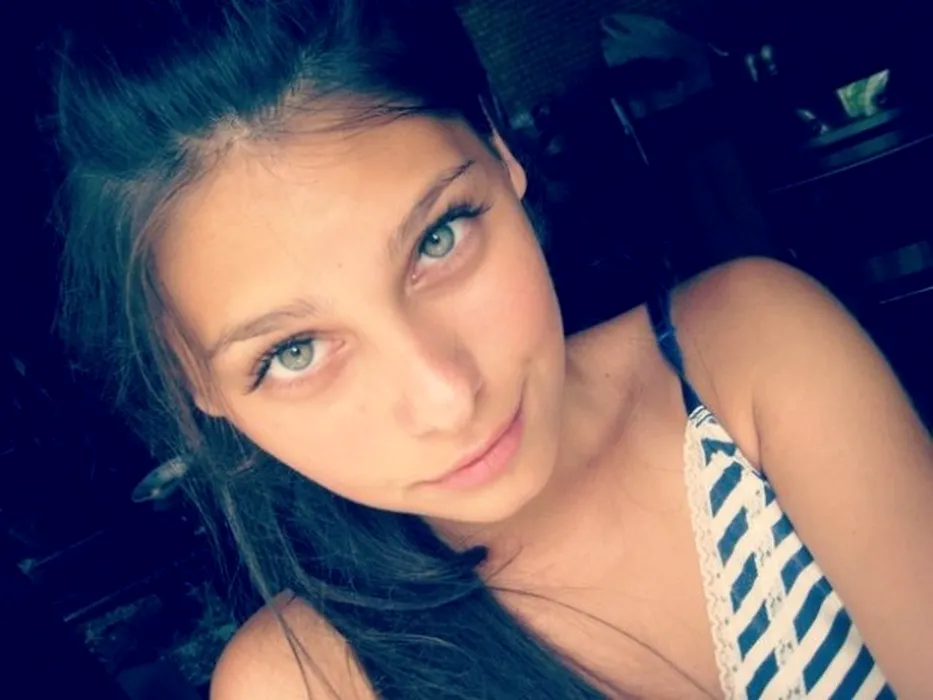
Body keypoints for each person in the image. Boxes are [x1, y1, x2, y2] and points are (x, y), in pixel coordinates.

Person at [53, 1, 932, 698]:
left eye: (438, 238)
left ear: (500, 150)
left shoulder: (748, 354)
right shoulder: (303, 684)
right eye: (293, 351)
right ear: (194, 384)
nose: (445, 397)